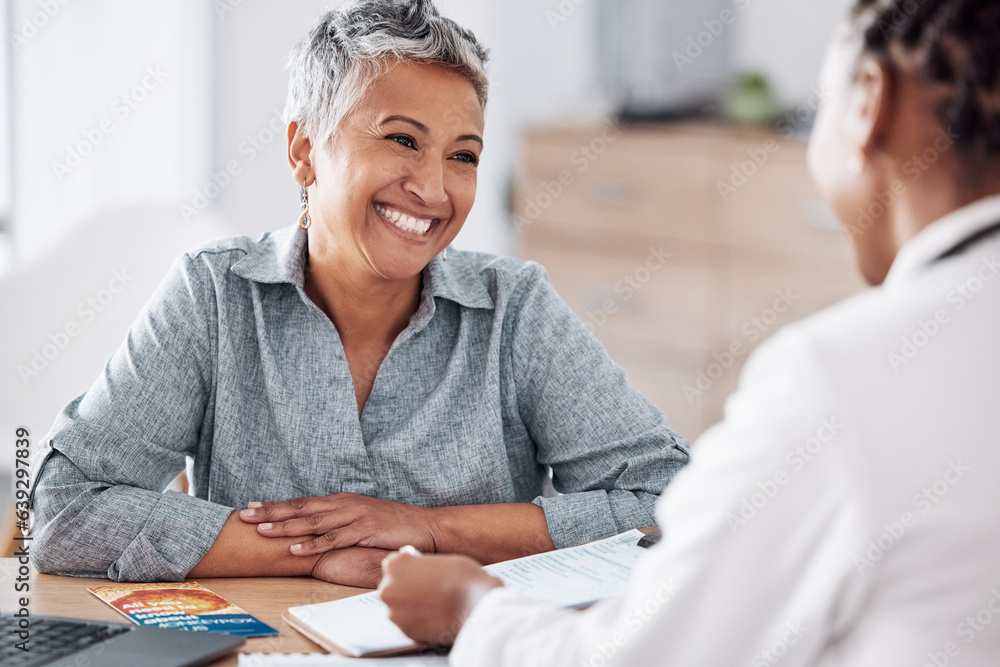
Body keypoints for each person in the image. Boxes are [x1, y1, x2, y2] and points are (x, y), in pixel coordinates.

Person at [378, 0, 1000, 663]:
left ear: (868, 102)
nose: (433, 190)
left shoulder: (840, 380)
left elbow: (642, 650)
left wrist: (475, 609)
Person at [30, 0, 689, 587]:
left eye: (463, 155)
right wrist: (316, 552)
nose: (434, 191)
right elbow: (64, 506)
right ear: (304, 150)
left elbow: (670, 500)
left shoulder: (515, 308)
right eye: (401, 140)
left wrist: (427, 529)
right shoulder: (212, 294)